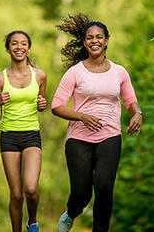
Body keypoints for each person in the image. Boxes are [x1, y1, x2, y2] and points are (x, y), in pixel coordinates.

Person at [51, 14, 143, 232]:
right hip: (78, 138)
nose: (95, 41)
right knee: (81, 193)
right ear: (84, 42)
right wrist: (81, 116)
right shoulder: (75, 72)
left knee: (104, 187)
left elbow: (130, 100)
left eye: (99, 37)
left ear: (107, 40)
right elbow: (57, 106)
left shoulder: (119, 72)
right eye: (90, 37)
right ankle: (72, 212)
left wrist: (138, 113)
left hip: (110, 135)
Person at [0, 30, 47, 232]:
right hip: (9, 137)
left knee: (31, 189)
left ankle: (32, 221)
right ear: (8, 48)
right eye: (14, 44)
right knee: (15, 195)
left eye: (23, 43)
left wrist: (42, 105)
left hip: (31, 134)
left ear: (28, 48)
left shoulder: (39, 75)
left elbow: (42, 105)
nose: (19, 47)